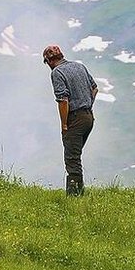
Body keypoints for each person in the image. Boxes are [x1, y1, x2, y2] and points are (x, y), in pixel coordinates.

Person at [42, 44, 97, 195]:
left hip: (75, 118)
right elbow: (94, 88)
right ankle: (79, 192)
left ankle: (75, 196)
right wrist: (88, 105)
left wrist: (64, 124)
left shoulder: (57, 73)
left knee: (72, 158)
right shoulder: (79, 66)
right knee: (76, 154)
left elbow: (63, 100)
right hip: (88, 117)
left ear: (49, 61)